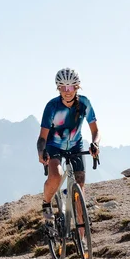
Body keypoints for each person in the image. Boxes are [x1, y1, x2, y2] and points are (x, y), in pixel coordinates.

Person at [37, 68, 100, 233]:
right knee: (56, 176)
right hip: (53, 146)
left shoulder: (85, 103)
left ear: (77, 87)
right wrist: (41, 152)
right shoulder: (52, 106)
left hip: (76, 145)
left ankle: (83, 240)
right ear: (58, 88)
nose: (67, 91)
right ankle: (46, 204)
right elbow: (42, 137)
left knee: (80, 188)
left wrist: (95, 144)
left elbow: (95, 131)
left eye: (71, 87)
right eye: (63, 87)